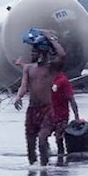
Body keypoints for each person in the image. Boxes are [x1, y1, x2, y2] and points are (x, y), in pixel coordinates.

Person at [14, 31, 67, 166]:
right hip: (32, 110)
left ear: (42, 53)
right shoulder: (29, 69)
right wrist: (18, 97)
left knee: (42, 139)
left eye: (35, 52)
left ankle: (44, 168)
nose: (32, 54)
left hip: (47, 110)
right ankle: (33, 167)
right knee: (30, 143)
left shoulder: (51, 68)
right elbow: (24, 86)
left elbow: (62, 55)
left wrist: (51, 39)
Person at [51, 56, 82, 155]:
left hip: (61, 117)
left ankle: (61, 160)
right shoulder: (48, 80)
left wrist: (77, 117)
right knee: (42, 136)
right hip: (49, 116)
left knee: (59, 139)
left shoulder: (63, 81)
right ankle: (46, 158)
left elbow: (72, 100)